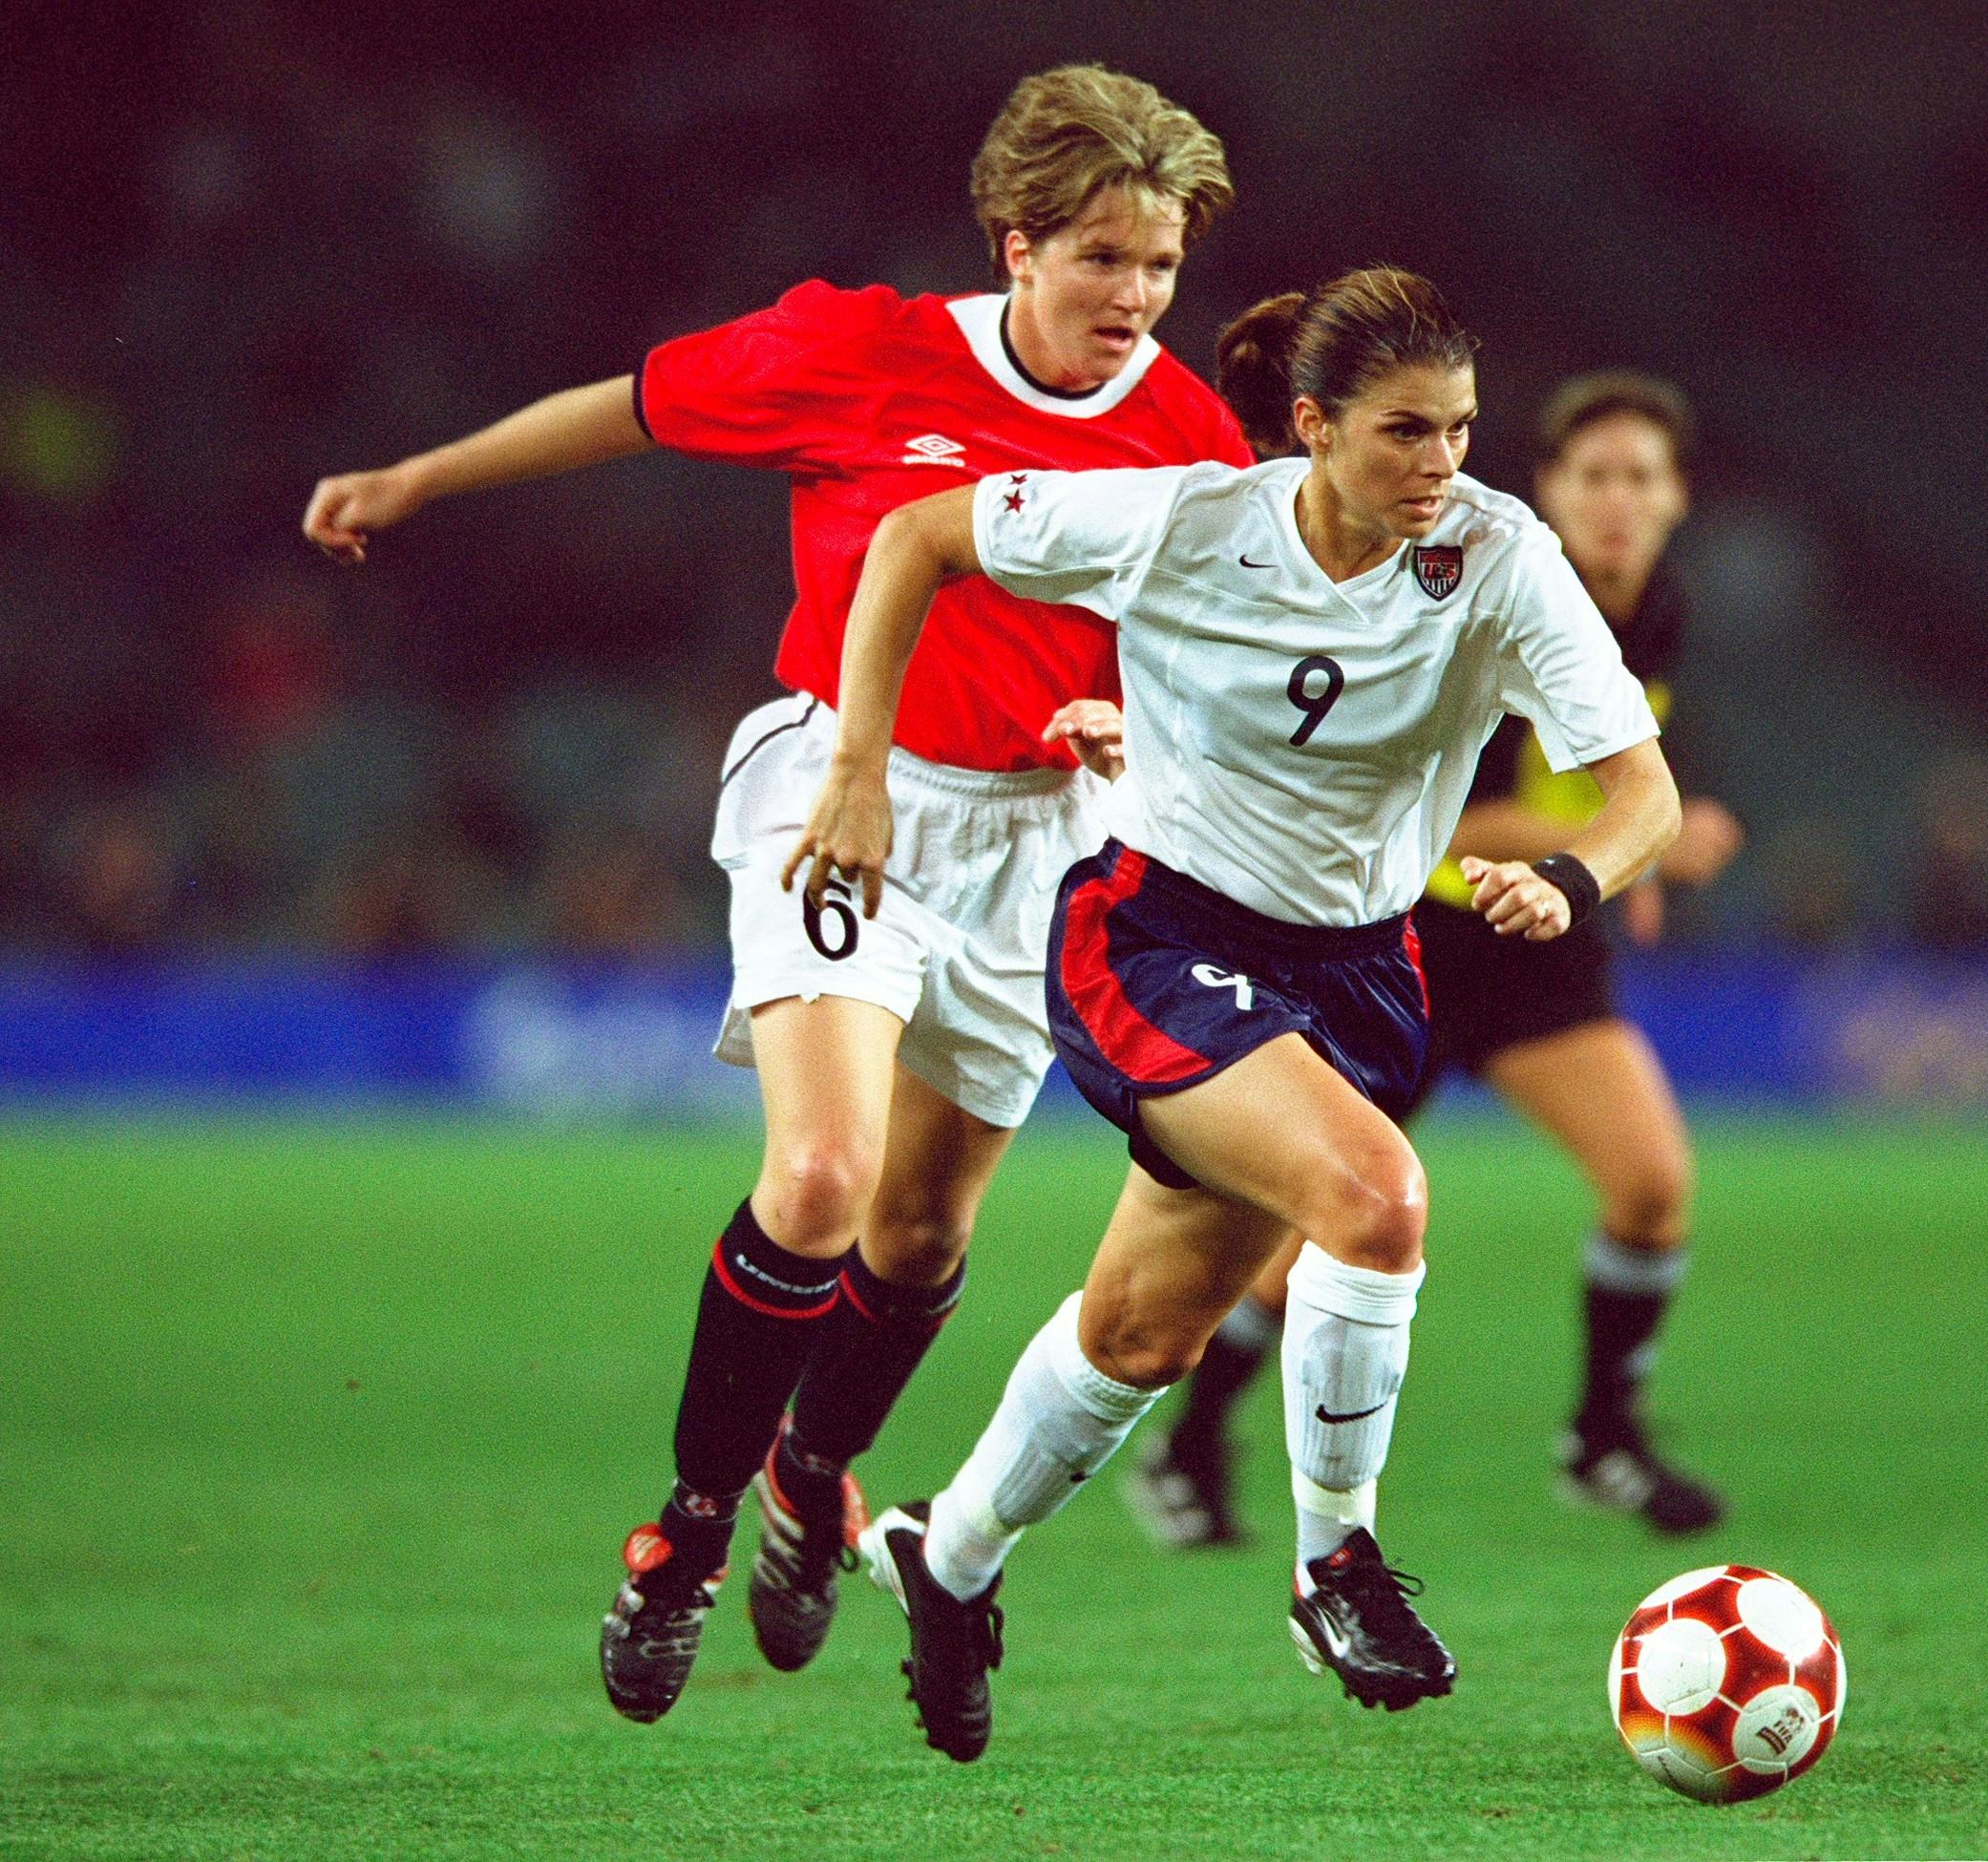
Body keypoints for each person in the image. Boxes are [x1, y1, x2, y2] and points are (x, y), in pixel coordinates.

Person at [300, 65, 1250, 1724]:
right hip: (841, 793)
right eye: (1102, 257)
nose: (1133, 296)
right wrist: (420, 480)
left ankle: (811, 1474)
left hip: (1041, 839)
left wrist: (1130, 728)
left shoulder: (1188, 436)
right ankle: (684, 1533)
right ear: (1016, 245)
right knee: (818, 1177)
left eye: (1159, 266)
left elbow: (1212, 654)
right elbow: (635, 406)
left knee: (924, 1229)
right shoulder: (864, 353)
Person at [781, 268, 1681, 1760]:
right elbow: (917, 535)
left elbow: (1643, 793)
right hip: (1157, 938)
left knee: (1143, 1335)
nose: (1442, 464)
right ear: (1314, 428)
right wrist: (858, 766)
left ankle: (952, 1557)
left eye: (1461, 429)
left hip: (1357, 973)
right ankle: (1337, 1564)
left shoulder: (1498, 555)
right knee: (1377, 1198)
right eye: (1405, 432)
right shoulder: (1188, 520)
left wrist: (1574, 879)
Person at [1129, 371, 1745, 1546]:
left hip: (1537, 939)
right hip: (1405, 940)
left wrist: (1624, 863)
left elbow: (1598, 782)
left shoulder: (1655, 608)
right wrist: (1614, 842)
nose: (1618, 501)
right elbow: (1445, 820)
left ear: (1677, 497)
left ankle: (1603, 1439)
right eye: (1594, 476)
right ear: (1549, 489)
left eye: (1642, 477)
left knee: (1652, 1185)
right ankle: (1189, 1444)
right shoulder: (1487, 591)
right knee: (1311, 1235)